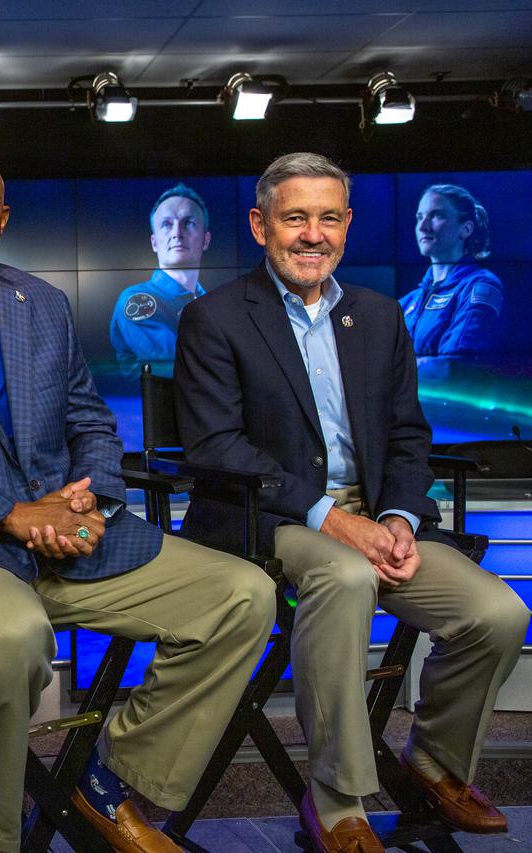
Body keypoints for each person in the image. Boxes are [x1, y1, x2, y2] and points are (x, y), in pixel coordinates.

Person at [0, 144, 274, 853]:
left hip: (68, 542)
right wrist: (8, 512)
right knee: (10, 634)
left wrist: (89, 497)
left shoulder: (45, 304)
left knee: (243, 594)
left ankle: (111, 782)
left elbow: (90, 419)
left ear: (3, 215)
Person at [175, 152, 528, 853]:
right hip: (271, 520)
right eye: (295, 216)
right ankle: (336, 800)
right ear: (259, 225)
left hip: (374, 517)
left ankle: (432, 763)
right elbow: (217, 447)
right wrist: (337, 523)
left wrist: (396, 517)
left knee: (498, 612)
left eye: (328, 217)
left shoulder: (378, 314)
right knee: (346, 573)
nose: (313, 234)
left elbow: (406, 435)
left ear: (348, 226)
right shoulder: (213, 318)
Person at [109, 183, 211, 378]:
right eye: (166, 224)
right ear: (154, 242)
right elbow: (178, 364)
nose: (177, 233)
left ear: (205, 240)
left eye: (188, 223)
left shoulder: (212, 302)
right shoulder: (136, 301)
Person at [400, 184, 504, 364]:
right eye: (419, 217)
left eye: (437, 215)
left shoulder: (481, 285)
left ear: (466, 229)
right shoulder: (407, 302)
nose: (423, 227)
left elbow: (455, 365)